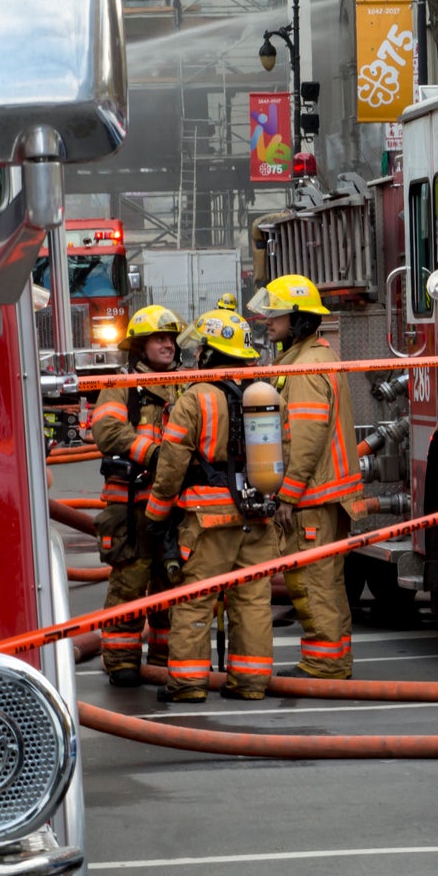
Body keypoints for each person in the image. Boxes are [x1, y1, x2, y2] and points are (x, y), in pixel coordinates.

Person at [142, 308, 279, 703]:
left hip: (207, 521)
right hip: (257, 517)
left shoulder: (194, 398)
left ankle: (188, 684)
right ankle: (250, 683)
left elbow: (171, 466)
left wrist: (156, 516)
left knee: (194, 600)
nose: (196, 354)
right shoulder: (264, 394)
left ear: (211, 352)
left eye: (201, 348)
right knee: (253, 601)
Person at [248, 274, 363, 680]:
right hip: (324, 495)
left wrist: (288, 496)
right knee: (326, 581)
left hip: (314, 497)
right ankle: (334, 659)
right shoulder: (312, 357)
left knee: (312, 582)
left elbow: (305, 439)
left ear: (297, 319)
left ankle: (324, 663)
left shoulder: (305, 368)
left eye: (276, 314)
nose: (268, 320)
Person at [88, 305, 184, 687]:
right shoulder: (122, 385)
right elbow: (106, 430)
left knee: (170, 586)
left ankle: (163, 659)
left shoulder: (187, 384)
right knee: (129, 585)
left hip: (175, 505)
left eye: (171, 338)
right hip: (131, 506)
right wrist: (154, 454)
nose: (168, 344)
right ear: (140, 346)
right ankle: (121, 661)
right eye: (159, 338)